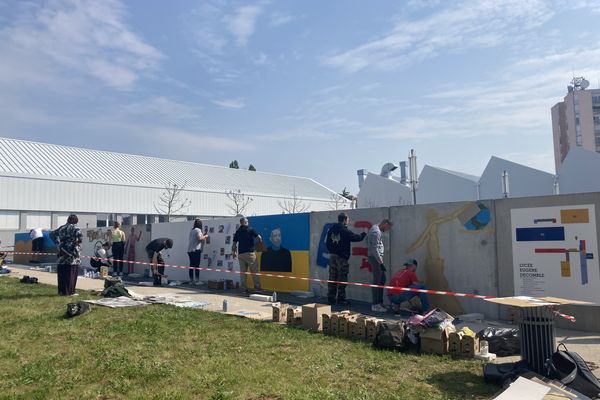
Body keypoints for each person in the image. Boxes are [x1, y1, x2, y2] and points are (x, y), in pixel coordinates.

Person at [325, 212, 366, 305]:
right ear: (344, 220)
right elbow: (356, 238)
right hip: (342, 258)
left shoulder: (331, 229)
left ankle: (330, 298)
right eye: (347, 219)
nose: (348, 221)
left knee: (332, 277)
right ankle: (341, 299)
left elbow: (327, 243)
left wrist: (332, 250)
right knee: (342, 278)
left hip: (333, 256)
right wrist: (363, 234)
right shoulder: (344, 230)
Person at [49, 214, 83, 296]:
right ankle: (70, 291)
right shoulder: (76, 229)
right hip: (72, 254)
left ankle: (61, 291)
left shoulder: (61, 228)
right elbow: (80, 240)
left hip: (62, 251)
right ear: (76, 221)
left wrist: (58, 244)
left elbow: (51, 234)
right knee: (71, 272)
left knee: (62, 272)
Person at [367, 219, 393, 312]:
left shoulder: (376, 228)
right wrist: (380, 262)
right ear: (385, 224)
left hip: (377, 259)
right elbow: (374, 248)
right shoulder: (376, 232)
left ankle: (380, 302)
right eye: (388, 228)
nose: (387, 230)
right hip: (376, 259)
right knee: (377, 281)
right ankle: (375, 304)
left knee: (382, 279)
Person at [232, 217, 263, 293]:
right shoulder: (250, 229)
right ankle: (257, 288)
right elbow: (259, 237)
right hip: (250, 254)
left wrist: (234, 252)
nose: (248, 222)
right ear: (245, 222)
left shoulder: (238, 231)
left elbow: (234, 243)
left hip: (241, 254)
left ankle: (243, 288)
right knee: (254, 271)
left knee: (243, 273)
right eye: (247, 221)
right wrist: (260, 243)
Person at [187, 219, 208, 285]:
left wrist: (203, 236)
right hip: (195, 250)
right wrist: (205, 236)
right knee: (197, 266)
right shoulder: (198, 230)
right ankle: (197, 281)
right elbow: (199, 238)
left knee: (191, 266)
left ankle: (191, 280)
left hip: (190, 250)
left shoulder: (192, 230)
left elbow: (197, 238)